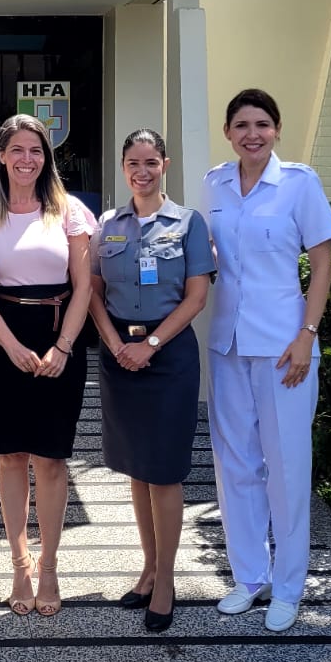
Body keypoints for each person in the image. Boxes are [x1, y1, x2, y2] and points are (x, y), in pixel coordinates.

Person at [202, 88, 331, 633]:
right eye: (241, 125)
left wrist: (308, 334)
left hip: (286, 348)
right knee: (235, 465)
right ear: (228, 132)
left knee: (286, 470)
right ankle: (249, 578)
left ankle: (287, 587)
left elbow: (322, 264)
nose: (252, 134)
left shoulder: (299, 184)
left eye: (262, 124)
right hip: (227, 344)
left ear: (277, 130)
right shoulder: (215, 183)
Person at [0, 115, 94, 618]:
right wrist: (11, 346)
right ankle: (19, 563)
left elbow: (84, 287)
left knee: (52, 459)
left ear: (47, 157)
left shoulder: (70, 211)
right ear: (1, 156)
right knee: (11, 457)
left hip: (59, 337)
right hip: (3, 340)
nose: (26, 159)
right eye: (16, 150)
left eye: (35, 151)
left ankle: (50, 564)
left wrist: (63, 347)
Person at [89, 128, 214, 634]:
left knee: (164, 472)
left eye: (151, 163)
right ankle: (147, 568)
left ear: (165, 165)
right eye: (133, 164)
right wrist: (115, 344)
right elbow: (93, 291)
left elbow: (196, 297)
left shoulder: (188, 223)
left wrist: (151, 345)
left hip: (168, 355)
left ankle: (166, 580)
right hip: (120, 354)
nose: (142, 172)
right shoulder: (107, 225)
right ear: (124, 168)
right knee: (137, 470)